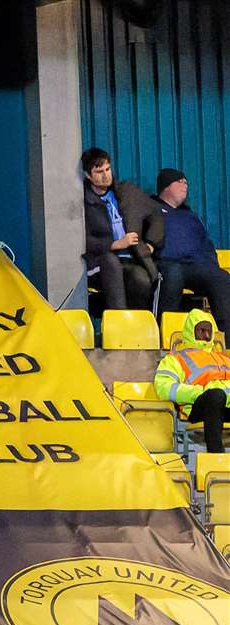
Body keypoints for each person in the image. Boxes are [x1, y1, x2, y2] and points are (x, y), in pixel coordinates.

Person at [80, 147, 162, 312]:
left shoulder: (126, 192)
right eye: (99, 171)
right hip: (100, 262)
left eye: (108, 169)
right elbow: (83, 240)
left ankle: (137, 326)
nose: (105, 175)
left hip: (131, 259)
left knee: (142, 279)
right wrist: (115, 244)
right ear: (88, 175)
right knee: (111, 262)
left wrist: (152, 243)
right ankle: (119, 323)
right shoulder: (83, 201)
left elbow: (156, 213)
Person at [154, 168, 230, 318]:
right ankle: (165, 333)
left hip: (194, 267)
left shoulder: (190, 215)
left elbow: (206, 244)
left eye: (186, 182)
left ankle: (226, 337)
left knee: (220, 277)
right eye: (180, 182)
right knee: (173, 274)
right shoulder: (151, 208)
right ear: (166, 186)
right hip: (166, 265)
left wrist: (210, 266)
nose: (185, 185)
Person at [154, 309, 230, 453]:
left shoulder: (224, 358)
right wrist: (200, 392)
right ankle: (216, 456)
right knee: (215, 396)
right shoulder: (175, 358)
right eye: (202, 330)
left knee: (218, 396)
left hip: (225, 405)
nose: (207, 336)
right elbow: (164, 388)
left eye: (209, 331)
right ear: (191, 331)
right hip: (198, 407)